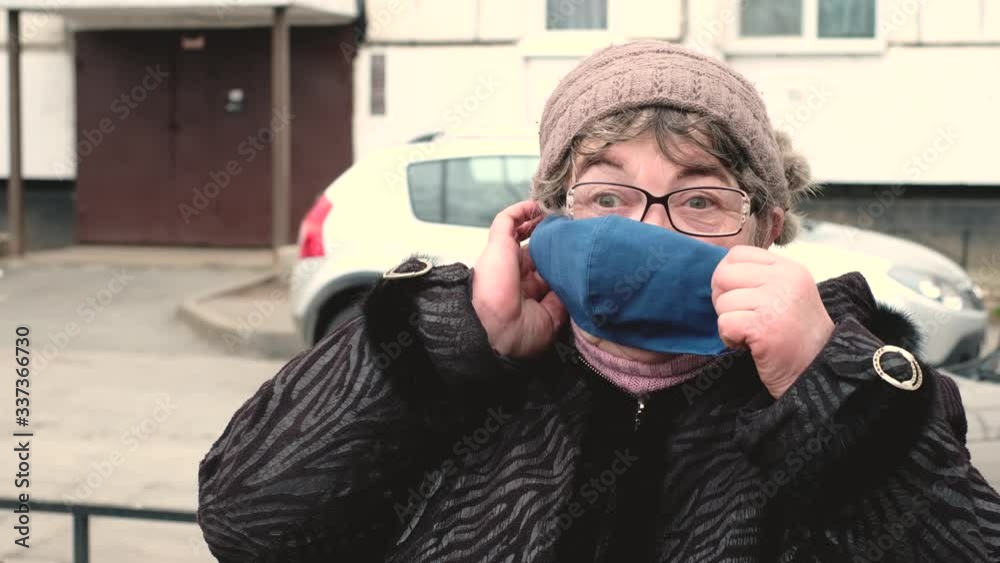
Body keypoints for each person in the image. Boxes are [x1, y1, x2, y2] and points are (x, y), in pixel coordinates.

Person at [197, 41, 1000, 562]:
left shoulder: (852, 389)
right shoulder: (468, 373)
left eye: (701, 199)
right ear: (546, 216)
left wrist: (830, 396)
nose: (648, 231)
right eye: (608, 196)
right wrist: (446, 343)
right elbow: (248, 523)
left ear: (767, 229)